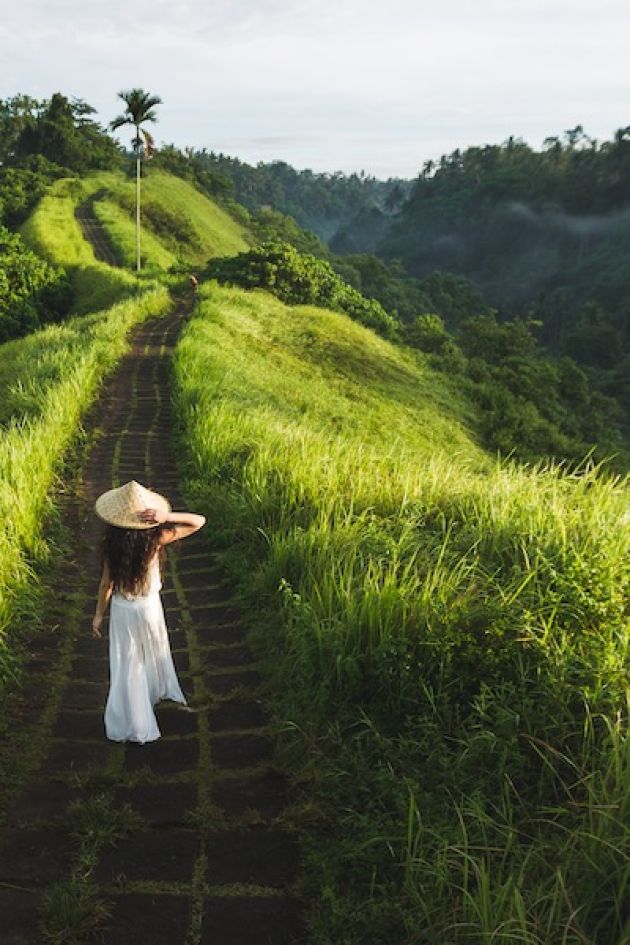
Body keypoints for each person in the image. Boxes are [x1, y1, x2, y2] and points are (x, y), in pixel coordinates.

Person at [92, 480, 206, 743]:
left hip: (122, 610)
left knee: (128, 663)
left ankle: (135, 721)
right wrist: (167, 517)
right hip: (149, 607)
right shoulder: (156, 539)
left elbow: (106, 585)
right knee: (152, 653)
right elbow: (198, 521)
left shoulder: (112, 547)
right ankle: (152, 697)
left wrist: (98, 615)